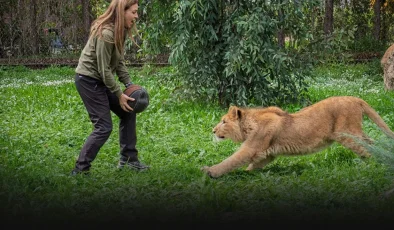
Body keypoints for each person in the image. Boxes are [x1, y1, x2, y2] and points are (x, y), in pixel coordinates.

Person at [71, 0, 149, 175]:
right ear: (122, 11)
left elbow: (118, 62)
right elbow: (103, 69)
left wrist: (129, 85)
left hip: (101, 79)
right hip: (88, 80)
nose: (137, 16)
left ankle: (129, 160)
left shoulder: (120, 31)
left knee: (128, 110)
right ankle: (80, 169)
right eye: (134, 12)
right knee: (103, 127)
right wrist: (119, 93)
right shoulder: (106, 33)